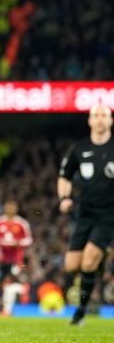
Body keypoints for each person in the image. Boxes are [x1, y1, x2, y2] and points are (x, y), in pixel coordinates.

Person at [58, 103, 114, 326]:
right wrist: (64, 198)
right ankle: (101, 259)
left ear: (110, 120)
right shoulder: (79, 149)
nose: (100, 119)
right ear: (90, 121)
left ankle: (80, 311)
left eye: (104, 115)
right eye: (95, 115)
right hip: (84, 213)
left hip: (109, 215)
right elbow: (65, 176)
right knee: (72, 265)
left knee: (88, 263)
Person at [0, 199, 33, 316]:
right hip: (1, 259)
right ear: (4, 208)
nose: (10, 209)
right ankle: (0, 308)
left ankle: (10, 307)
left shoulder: (22, 223)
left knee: (11, 282)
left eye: (13, 207)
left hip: (16, 259)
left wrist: (18, 243)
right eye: (8, 206)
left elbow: (29, 239)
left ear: (16, 209)